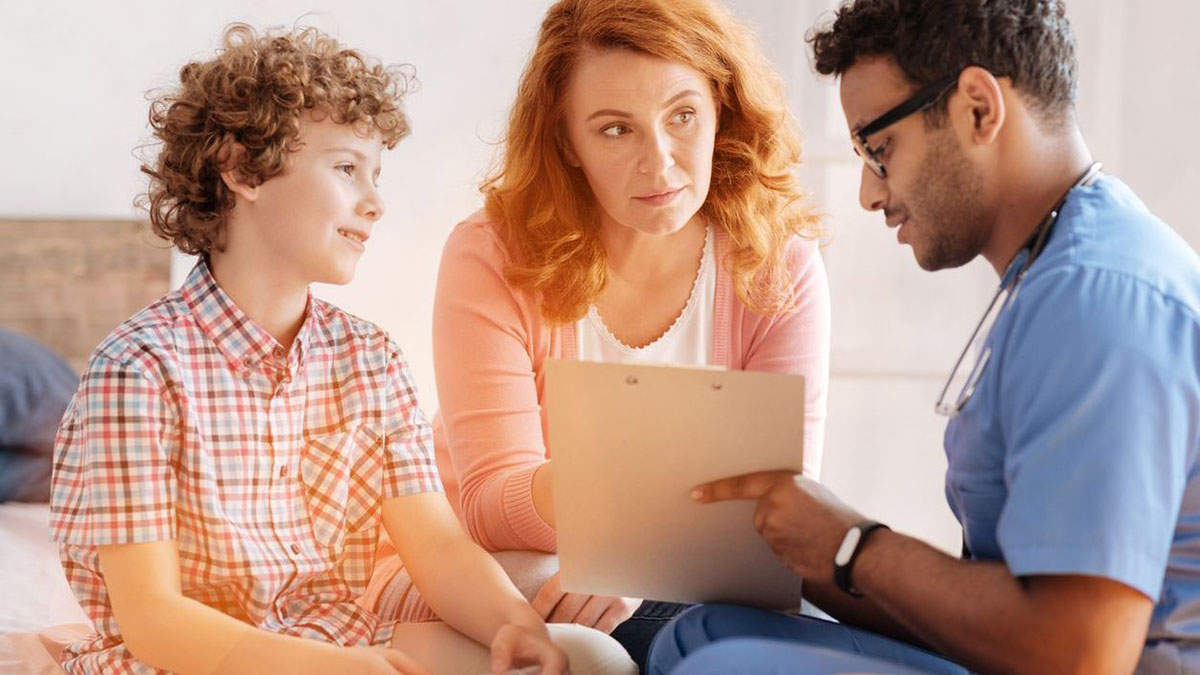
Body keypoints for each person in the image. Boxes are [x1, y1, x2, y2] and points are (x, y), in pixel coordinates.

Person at [48, 23, 633, 675]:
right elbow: (155, 619)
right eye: (347, 168)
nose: (376, 202)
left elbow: (437, 545)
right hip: (189, 658)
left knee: (589, 660)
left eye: (376, 174)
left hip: (338, 635)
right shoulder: (137, 369)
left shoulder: (370, 358)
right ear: (242, 169)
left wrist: (515, 627)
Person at [648, 1, 1200, 673]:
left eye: (879, 150)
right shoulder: (1056, 269)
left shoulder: (1098, 298)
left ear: (977, 109)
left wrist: (851, 545)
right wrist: (796, 544)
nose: (867, 195)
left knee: (720, 666)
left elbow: (1080, 652)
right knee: (701, 631)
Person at [361, 0, 831, 670]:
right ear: (566, 143)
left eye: (683, 116)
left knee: (778, 631)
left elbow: (782, 512)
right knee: (724, 639)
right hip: (470, 568)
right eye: (616, 130)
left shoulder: (778, 264)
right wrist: (646, 527)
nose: (661, 162)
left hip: (671, 580)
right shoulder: (493, 254)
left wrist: (635, 547)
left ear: (721, 109)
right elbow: (493, 505)